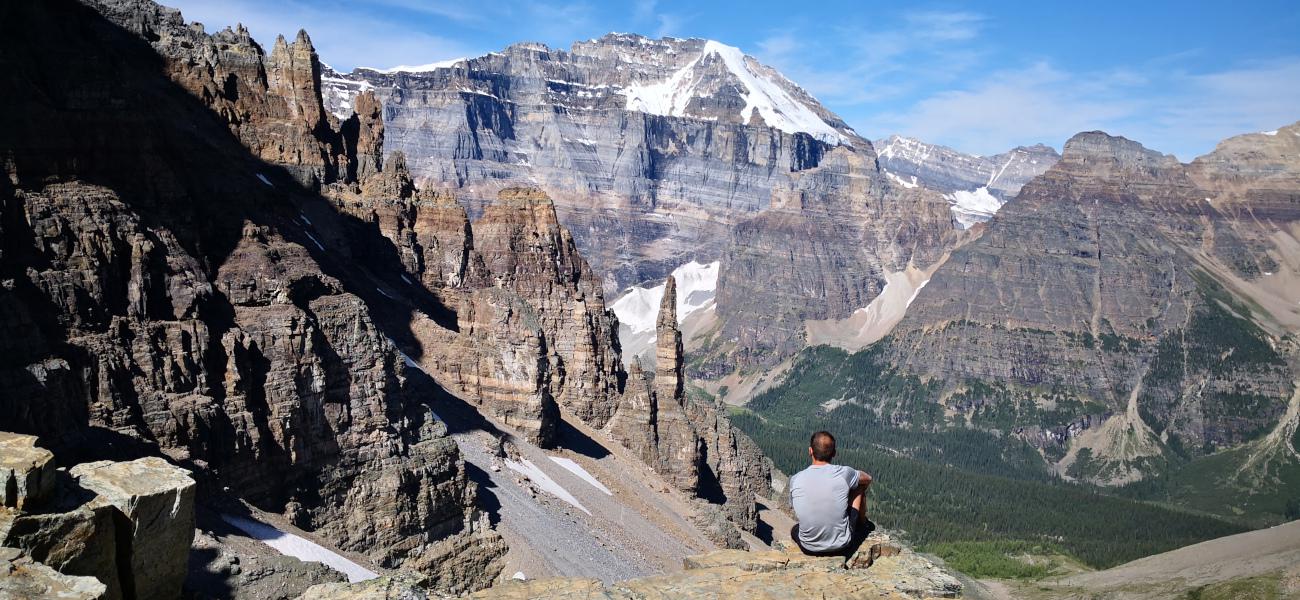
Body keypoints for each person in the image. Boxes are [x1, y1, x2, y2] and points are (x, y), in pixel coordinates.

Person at [788, 430, 873, 555]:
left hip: (809, 548)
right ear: (834, 453)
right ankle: (862, 524)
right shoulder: (844, 473)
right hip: (842, 545)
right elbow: (868, 478)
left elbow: (794, 506)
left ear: (810, 451)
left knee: (794, 529)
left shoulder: (795, 479)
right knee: (858, 487)